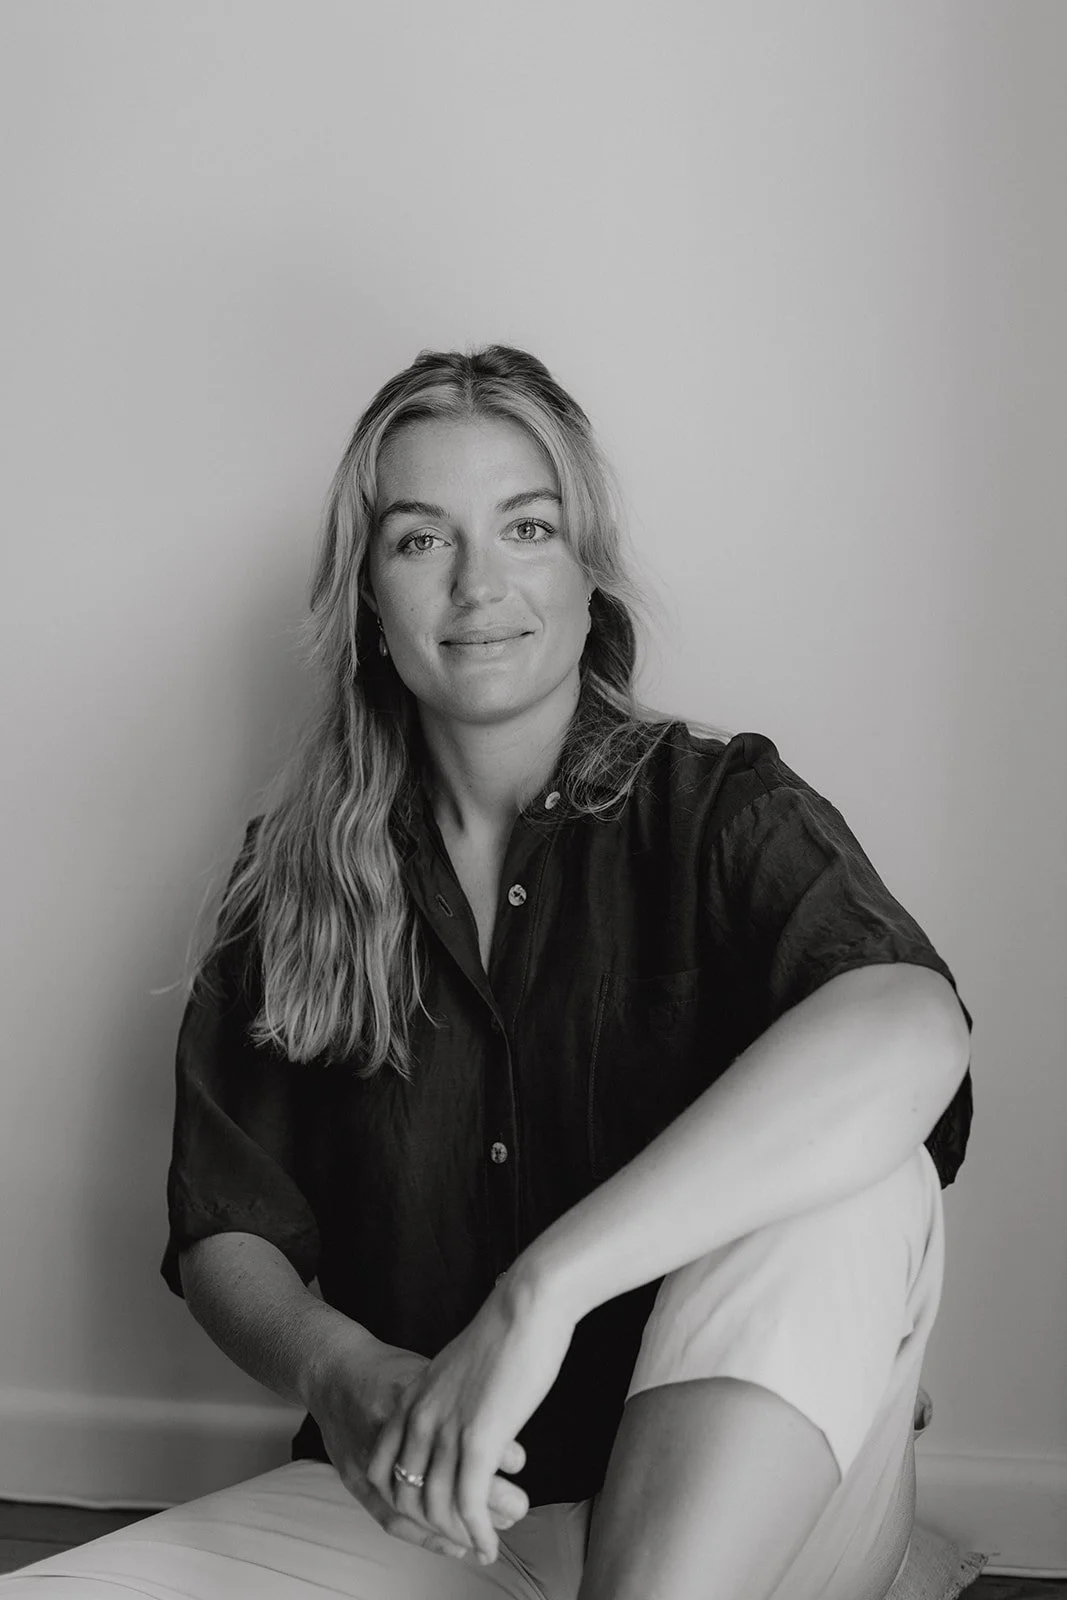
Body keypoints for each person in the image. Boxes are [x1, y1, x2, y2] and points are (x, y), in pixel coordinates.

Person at [158, 344, 973, 1600]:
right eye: (420, 540)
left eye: (526, 527)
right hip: (430, 1509)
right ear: (369, 602)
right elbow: (225, 1227)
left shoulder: (717, 811)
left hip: (740, 1511)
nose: (480, 583)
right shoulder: (294, 875)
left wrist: (537, 1294)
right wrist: (346, 1373)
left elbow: (913, 1026)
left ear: (589, 578)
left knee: (861, 1167)